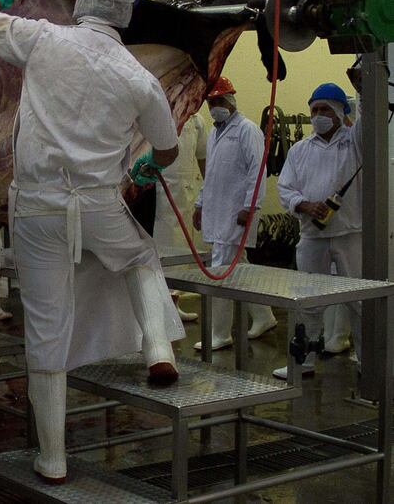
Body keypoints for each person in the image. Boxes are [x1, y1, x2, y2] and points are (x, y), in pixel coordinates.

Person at [0, 0, 184, 485]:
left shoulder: (42, 39)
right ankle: (157, 348)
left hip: (37, 207)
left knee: (46, 329)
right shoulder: (139, 78)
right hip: (99, 203)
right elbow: (169, 148)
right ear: (128, 11)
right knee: (138, 256)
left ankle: (53, 458)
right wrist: (150, 165)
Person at [272, 83, 363, 380]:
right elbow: (285, 187)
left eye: (325, 109)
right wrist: (304, 205)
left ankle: (369, 363)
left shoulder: (354, 142)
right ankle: (303, 362)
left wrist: (363, 89)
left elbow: (367, 123)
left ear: (339, 111)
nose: (318, 115)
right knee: (308, 300)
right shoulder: (300, 149)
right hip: (312, 236)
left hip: (350, 234)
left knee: (358, 301)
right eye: (314, 110)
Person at [191, 78, 278, 351]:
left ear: (231, 100)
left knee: (221, 271)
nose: (215, 107)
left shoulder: (247, 130)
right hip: (218, 212)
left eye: (219, 101)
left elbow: (258, 170)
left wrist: (250, 207)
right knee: (238, 267)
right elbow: (212, 174)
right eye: (211, 102)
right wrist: (200, 204)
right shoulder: (215, 133)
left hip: (236, 213)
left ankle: (219, 333)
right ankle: (264, 316)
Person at [153, 113, 207, 322]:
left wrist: (208, 191)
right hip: (158, 193)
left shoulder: (196, 121)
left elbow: (203, 157)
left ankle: (174, 304)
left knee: (181, 250)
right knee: (158, 250)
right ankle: (159, 308)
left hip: (185, 195)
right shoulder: (154, 113)